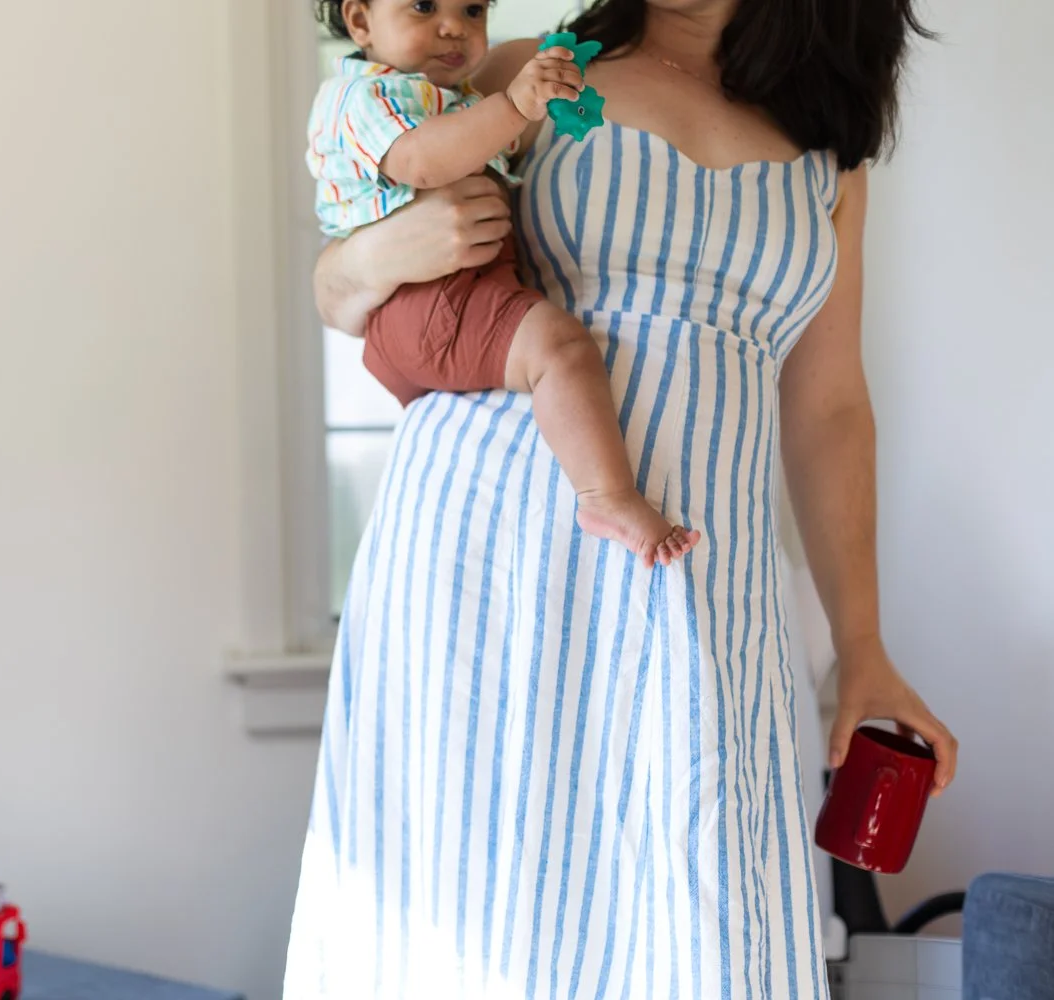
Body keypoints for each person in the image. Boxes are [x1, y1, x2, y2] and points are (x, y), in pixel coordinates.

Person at [282, 0, 960, 996]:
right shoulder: (530, 70)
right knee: (476, 910)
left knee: (702, 918)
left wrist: (864, 648)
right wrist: (382, 255)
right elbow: (343, 286)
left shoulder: (828, 148)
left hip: (704, 581)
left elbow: (828, 407)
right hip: (487, 552)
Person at [308, 0, 699, 567]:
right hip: (431, 298)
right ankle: (605, 496)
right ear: (360, 21)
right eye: (423, 5)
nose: (453, 27)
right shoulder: (362, 97)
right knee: (561, 351)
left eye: (472, 9)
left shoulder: (452, 96)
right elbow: (421, 162)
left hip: (453, 292)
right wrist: (514, 104)